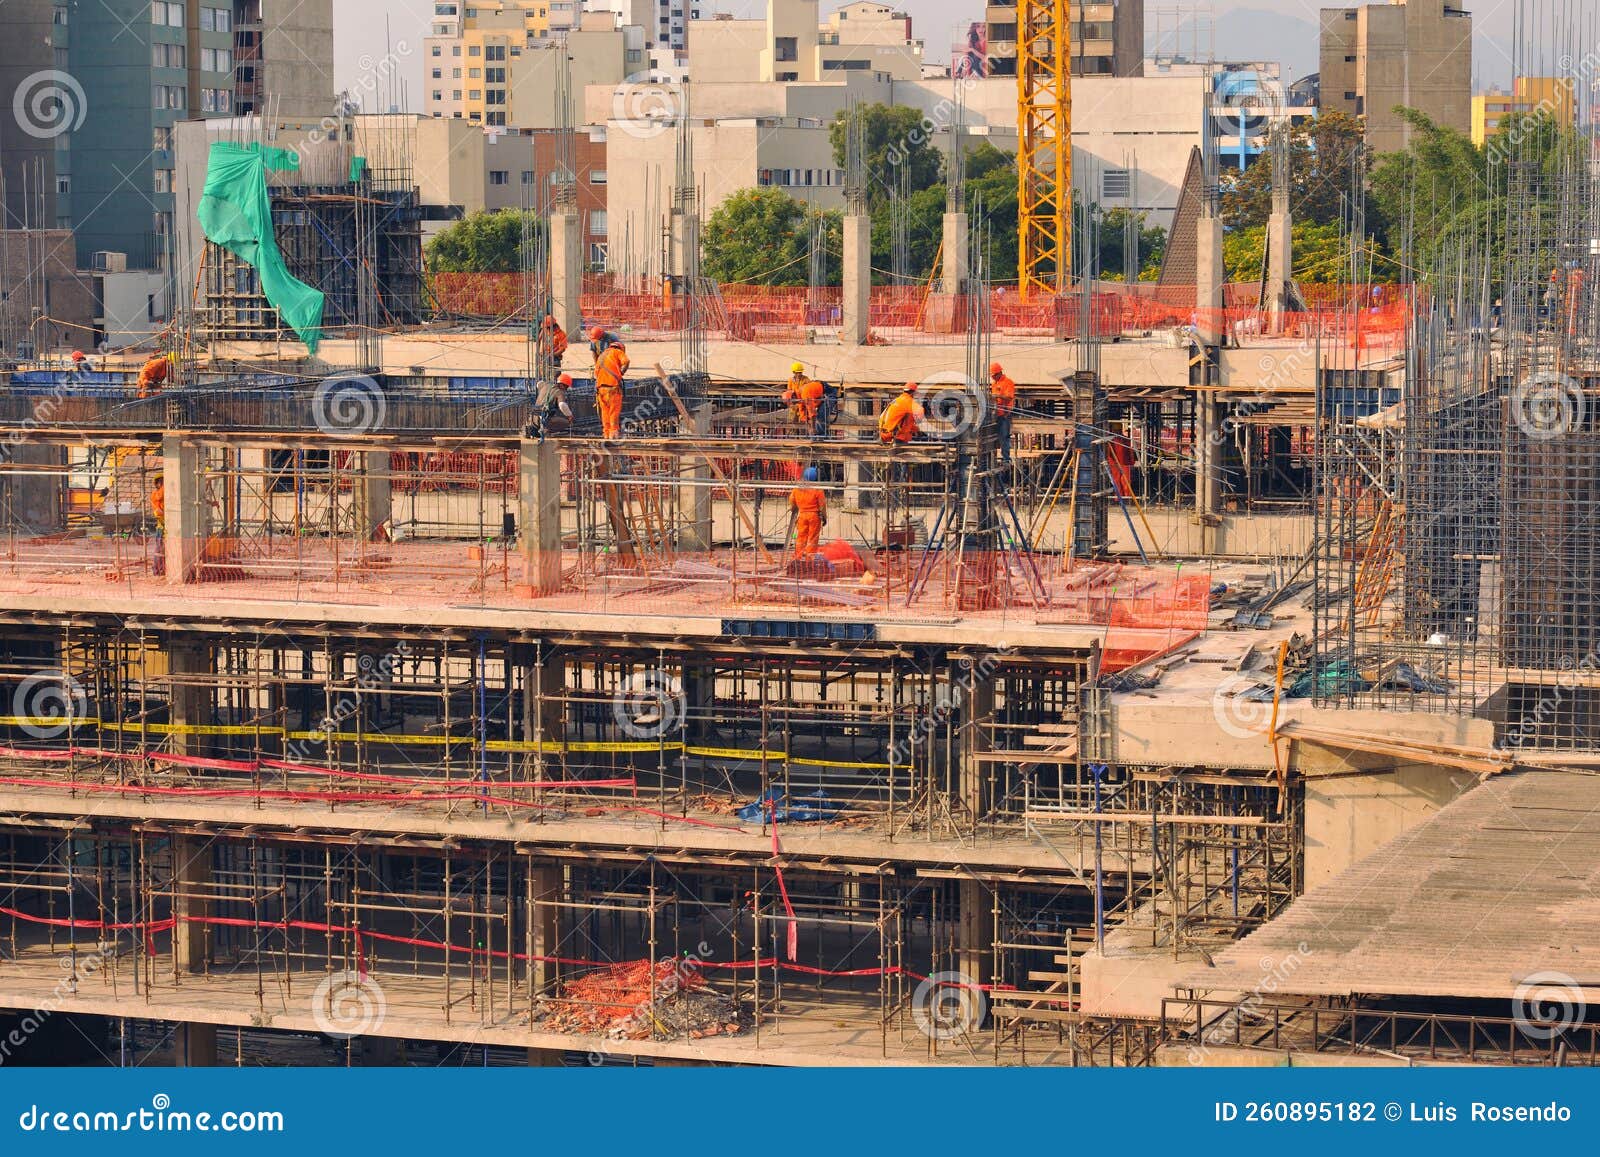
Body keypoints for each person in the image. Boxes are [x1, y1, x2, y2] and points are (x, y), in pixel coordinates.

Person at [788, 466, 827, 562]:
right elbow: (822, 506)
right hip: (814, 516)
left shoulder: (797, 489)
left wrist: (793, 508)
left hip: (802, 515)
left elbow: (792, 500)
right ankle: (810, 558)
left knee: (801, 537)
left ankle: (798, 556)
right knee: (812, 538)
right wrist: (825, 517)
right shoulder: (817, 489)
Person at [594, 339, 630, 439]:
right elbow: (626, 361)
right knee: (614, 411)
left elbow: (596, 373)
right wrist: (621, 373)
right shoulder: (618, 352)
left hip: (600, 389)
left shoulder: (601, 356)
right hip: (613, 388)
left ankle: (606, 433)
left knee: (605, 411)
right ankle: (613, 433)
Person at [783, 363, 826, 434]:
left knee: (803, 420)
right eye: (797, 373)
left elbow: (809, 393)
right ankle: (792, 435)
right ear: (794, 372)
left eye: (800, 372)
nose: (799, 374)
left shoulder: (806, 379)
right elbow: (789, 391)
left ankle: (803, 435)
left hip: (803, 402)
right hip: (795, 404)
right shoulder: (790, 380)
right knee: (792, 421)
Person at [531, 373, 575, 439]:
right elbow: (562, 405)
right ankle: (546, 431)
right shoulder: (560, 392)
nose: (566, 389)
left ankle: (542, 430)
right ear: (563, 385)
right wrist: (570, 415)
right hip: (544, 421)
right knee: (567, 422)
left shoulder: (546, 385)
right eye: (566, 387)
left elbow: (538, 384)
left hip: (533, 420)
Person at [989, 362, 1017, 462]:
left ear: (998, 373)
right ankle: (992, 458)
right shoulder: (994, 384)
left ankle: (1006, 458)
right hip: (995, 414)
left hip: (1005, 414)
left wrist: (997, 396)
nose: (992, 378)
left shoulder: (1008, 382)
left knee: (1004, 436)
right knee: (991, 437)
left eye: (993, 375)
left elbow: (1009, 397)